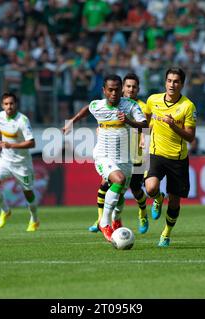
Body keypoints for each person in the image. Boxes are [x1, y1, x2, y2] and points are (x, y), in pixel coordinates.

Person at [62, 73, 151, 235]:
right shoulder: (98, 105)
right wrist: (72, 121)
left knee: (121, 193)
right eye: (110, 90)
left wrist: (128, 121)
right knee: (117, 181)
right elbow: (87, 110)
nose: (114, 93)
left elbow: (144, 126)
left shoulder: (130, 106)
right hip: (103, 155)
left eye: (117, 90)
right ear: (104, 90)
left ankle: (116, 219)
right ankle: (104, 222)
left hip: (126, 157)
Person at [143, 68, 197, 247]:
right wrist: (143, 137)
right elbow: (146, 119)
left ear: (182, 84)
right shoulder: (153, 99)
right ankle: (158, 197)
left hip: (177, 159)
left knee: (174, 201)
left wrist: (173, 126)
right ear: (165, 82)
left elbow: (190, 137)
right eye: (169, 80)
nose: (172, 84)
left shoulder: (188, 106)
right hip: (157, 154)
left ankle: (166, 234)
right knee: (150, 188)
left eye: (176, 81)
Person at [0, 92, 40, 232]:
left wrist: (12, 145)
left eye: (11, 103)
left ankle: (34, 219)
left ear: (16, 104)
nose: (9, 106)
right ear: (2, 105)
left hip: (22, 163)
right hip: (5, 160)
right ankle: (5, 211)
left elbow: (32, 143)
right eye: (6, 104)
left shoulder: (22, 120)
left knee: (28, 193)